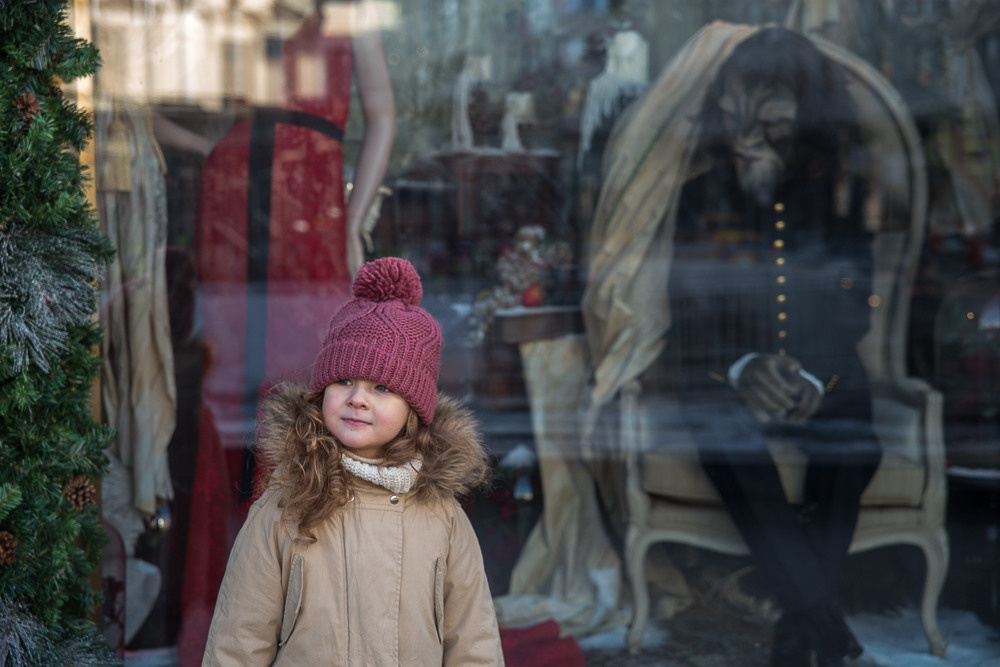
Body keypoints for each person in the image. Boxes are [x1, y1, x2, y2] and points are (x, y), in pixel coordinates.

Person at [657, 28, 882, 666]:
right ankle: (823, 624)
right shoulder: (702, 194)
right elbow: (689, 309)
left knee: (851, 443)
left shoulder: (844, 190)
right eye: (733, 113)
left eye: (767, 111)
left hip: (827, 373)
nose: (744, 132)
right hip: (722, 378)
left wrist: (812, 377)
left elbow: (854, 303)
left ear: (807, 108)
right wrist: (744, 366)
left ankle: (800, 626)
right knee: (727, 440)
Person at [201, 257, 505, 666]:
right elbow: (238, 641)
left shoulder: (442, 517)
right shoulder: (284, 507)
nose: (357, 398)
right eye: (343, 380)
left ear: (414, 409)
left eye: (381, 387)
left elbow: (473, 642)